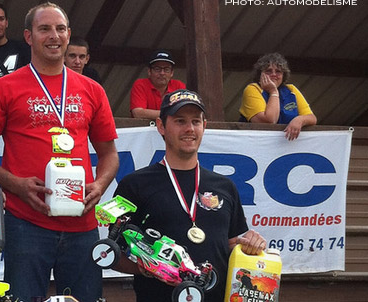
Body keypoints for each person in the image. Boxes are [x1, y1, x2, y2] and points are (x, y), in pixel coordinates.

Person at [0, 2, 119, 302]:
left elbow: (109, 154)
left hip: (83, 223)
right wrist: (15, 184)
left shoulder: (92, 89)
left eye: (60, 28)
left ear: (68, 34)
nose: (54, 36)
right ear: (28, 36)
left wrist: (100, 185)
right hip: (26, 222)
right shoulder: (2, 88)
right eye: (44, 29)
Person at [113, 89, 266, 301]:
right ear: (161, 126)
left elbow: (231, 247)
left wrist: (250, 244)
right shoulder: (134, 185)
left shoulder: (225, 186)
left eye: (196, 121)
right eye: (180, 121)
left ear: (205, 126)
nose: (189, 129)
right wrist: (149, 268)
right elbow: (115, 254)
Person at [239, 52, 317, 141]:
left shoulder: (291, 90)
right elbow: (269, 121)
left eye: (278, 71)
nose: (274, 74)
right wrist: (273, 92)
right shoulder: (253, 89)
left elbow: (312, 118)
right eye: (268, 71)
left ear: (283, 75)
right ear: (260, 74)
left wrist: (300, 120)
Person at [130, 49, 186, 120]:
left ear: (172, 73)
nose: (162, 73)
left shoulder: (179, 86)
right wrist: (171, 113)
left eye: (166, 69)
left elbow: (184, 113)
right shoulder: (141, 84)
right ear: (149, 71)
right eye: (157, 69)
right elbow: (137, 113)